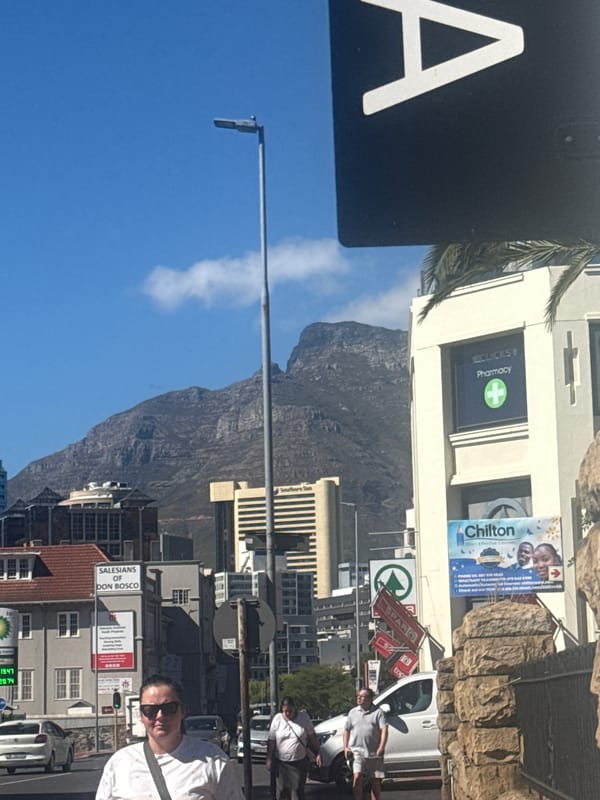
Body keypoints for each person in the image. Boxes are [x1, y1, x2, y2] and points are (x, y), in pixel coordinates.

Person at [96, 674, 244, 800]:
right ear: (141, 715)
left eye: (168, 709)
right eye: (150, 710)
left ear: (183, 711)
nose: (160, 716)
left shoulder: (213, 760)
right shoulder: (119, 763)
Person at [265, 696, 321, 800]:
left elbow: (312, 736)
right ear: (282, 709)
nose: (287, 713)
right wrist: (268, 758)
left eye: (290, 711)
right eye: (285, 711)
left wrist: (318, 752)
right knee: (282, 792)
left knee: (296, 792)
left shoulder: (303, 718)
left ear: (295, 708)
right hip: (282, 762)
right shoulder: (277, 719)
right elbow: (272, 740)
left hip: (299, 762)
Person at [343, 688, 388, 800]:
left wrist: (381, 746)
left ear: (369, 698)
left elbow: (384, 730)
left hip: (374, 752)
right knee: (357, 777)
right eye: (358, 695)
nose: (359, 698)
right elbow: (346, 730)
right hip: (357, 752)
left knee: (375, 780)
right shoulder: (353, 712)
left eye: (362, 696)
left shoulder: (378, 713)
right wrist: (345, 747)